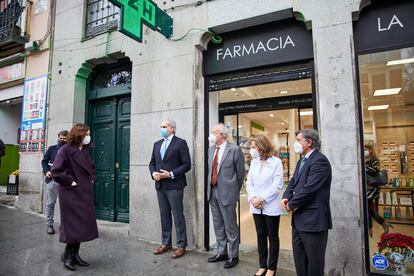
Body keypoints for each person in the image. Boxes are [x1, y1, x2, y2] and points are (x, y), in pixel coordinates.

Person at [280, 129, 332, 276]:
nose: (295, 144)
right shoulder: (302, 161)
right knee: (300, 262)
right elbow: (293, 182)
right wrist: (286, 196)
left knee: (314, 265)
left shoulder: (320, 161)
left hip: (313, 221)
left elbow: (310, 189)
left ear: (308, 142)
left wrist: (291, 204)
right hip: (299, 221)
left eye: (298, 140)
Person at [51, 123, 98, 271]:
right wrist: (70, 181)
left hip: (83, 193)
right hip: (70, 193)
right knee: (72, 226)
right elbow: (56, 171)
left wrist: (92, 178)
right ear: (79, 134)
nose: (89, 137)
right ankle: (68, 255)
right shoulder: (65, 150)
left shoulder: (84, 150)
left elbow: (91, 167)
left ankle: (75, 254)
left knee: (81, 226)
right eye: (87, 134)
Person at [149, 119, 191, 259]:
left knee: (178, 215)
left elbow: (187, 165)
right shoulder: (157, 144)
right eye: (160, 126)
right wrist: (153, 173)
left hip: (175, 185)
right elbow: (152, 163)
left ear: (172, 128)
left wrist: (170, 174)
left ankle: (181, 245)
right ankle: (166, 243)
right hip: (160, 186)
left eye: (164, 126)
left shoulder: (180, 143)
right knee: (164, 215)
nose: (161, 129)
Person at [207, 123, 245, 269]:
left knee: (230, 226)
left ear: (222, 134)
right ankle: (221, 252)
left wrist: (234, 190)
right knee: (218, 224)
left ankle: (233, 255)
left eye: (214, 132)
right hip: (213, 191)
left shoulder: (234, 149)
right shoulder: (211, 150)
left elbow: (240, 173)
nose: (211, 135)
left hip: (227, 193)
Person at [246, 135, 284, 276]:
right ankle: (262, 265)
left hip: (270, 205)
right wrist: (253, 198)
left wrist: (262, 198)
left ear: (262, 147)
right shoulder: (254, 162)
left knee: (272, 236)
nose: (252, 150)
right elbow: (249, 182)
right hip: (256, 205)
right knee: (261, 235)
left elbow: (277, 185)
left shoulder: (276, 162)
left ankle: (271, 268)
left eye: (254, 147)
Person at [41, 130, 68, 234]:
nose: (62, 140)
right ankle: (49, 225)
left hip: (65, 181)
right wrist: (47, 171)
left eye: (64, 139)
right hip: (52, 180)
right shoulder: (51, 149)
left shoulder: (70, 150)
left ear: (68, 138)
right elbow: (44, 162)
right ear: (58, 137)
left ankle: (64, 225)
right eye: (60, 138)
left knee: (65, 204)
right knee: (50, 203)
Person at [365, 144, 392, 237]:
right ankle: (382, 224)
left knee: (367, 207)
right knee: (368, 208)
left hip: (372, 188)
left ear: (370, 150)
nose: (365, 151)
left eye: (366, 149)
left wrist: (364, 168)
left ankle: (370, 228)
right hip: (366, 188)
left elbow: (376, 169)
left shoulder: (374, 159)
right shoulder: (364, 160)